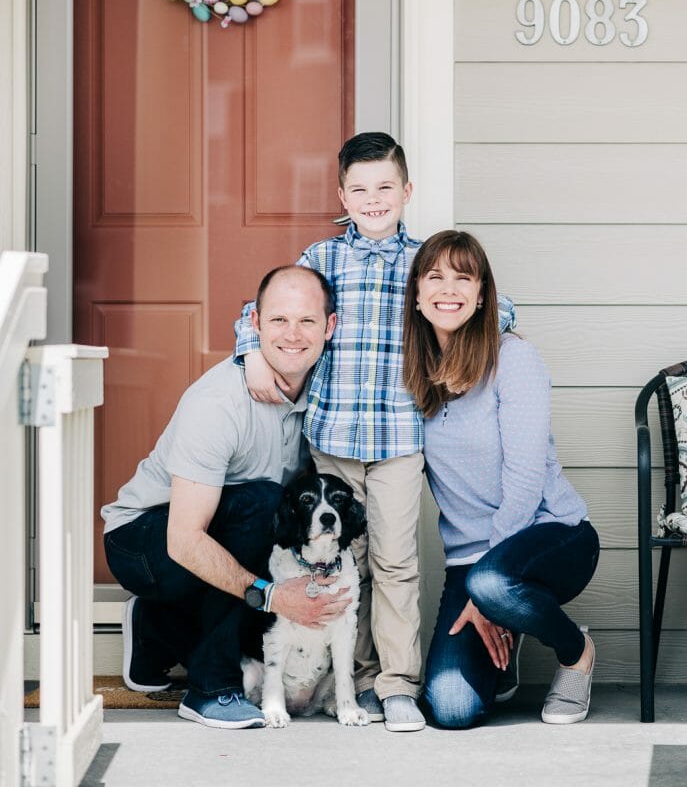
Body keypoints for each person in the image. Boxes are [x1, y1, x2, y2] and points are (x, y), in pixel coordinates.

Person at [234, 133, 516, 732]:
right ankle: (354, 684)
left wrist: (467, 349)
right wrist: (250, 353)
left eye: (385, 187)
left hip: (397, 441)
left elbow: (495, 308)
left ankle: (395, 686)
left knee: (393, 564)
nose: (373, 199)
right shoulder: (321, 259)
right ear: (341, 195)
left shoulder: (425, 262)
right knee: (341, 565)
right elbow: (261, 309)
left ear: (407, 191)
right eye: (359, 189)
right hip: (331, 441)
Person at [101, 265, 351, 730]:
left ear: (329, 327)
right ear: (254, 324)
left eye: (307, 321)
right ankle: (211, 689)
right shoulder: (218, 404)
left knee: (267, 526)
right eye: (278, 320)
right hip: (144, 538)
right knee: (263, 507)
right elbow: (184, 541)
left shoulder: (329, 393)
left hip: (222, 528)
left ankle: (154, 630)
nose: (293, 335)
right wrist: (271, 595)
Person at [402, 230, 600, 729]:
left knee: (492, 581)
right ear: (418, 297)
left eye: (463, 278)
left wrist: (486, 596)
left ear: (483, 294)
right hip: (470, 562)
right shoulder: (412, 375)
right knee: (449, 708)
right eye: (435, 277)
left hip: (552, 537)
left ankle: (576, 652)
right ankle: (502, 633)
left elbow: (526, 475)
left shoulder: (513, 359)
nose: (449, 289)